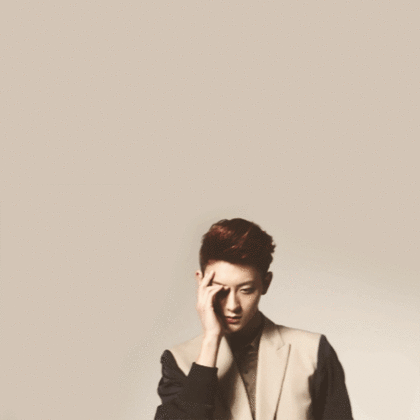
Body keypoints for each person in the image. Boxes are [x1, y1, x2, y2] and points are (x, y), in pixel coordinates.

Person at [154, 218, 353, 420]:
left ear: (266, 283)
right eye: (221, 290)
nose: (233, 305)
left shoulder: (312, 351)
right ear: (201, 282)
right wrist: (211, 340)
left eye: (246, 290)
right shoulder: (178, 360)